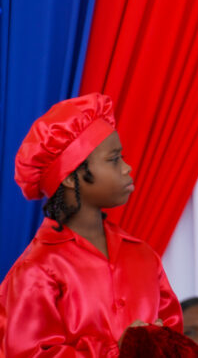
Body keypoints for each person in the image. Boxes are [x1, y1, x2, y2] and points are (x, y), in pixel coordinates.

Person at [0, 93, 187, 357]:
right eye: (113, 159)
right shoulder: (37, 269)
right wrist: (117, 350)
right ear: (69, 176)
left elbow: (174, 336)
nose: (127, 168)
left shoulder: (144, 256)